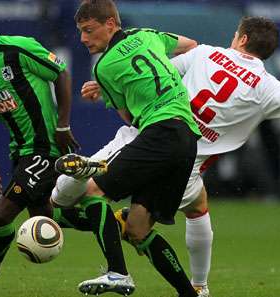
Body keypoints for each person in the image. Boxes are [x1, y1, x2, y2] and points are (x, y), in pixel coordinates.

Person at [52, 16, 280, 297]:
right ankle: (199, 286)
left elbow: (157, 74)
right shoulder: (266, 87)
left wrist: (106, 82)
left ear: (240, 38)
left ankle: (67, 223)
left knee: (77, 196)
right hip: (187, 165)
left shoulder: (206, 53)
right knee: (194, 209)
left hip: (148, 138)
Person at [52, 1, 202, 296]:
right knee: (137, 229)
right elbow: (191, 45)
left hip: (159, 132)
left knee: (92, 191)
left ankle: (118, 273)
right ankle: (190, 294)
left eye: (88, 30)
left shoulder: (105, 67)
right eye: (80, 32)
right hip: (187, 138)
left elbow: (130, 119)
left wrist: (109, 87)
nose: (83, 39)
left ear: (110, 24)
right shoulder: (147, 35)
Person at [0, 3, 81, 295]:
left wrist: (62, 126)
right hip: (19, 152)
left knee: (1, 214)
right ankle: (111, 222)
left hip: (46, 148)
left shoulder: (18, 50)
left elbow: (62, 73)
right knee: (45, 215)